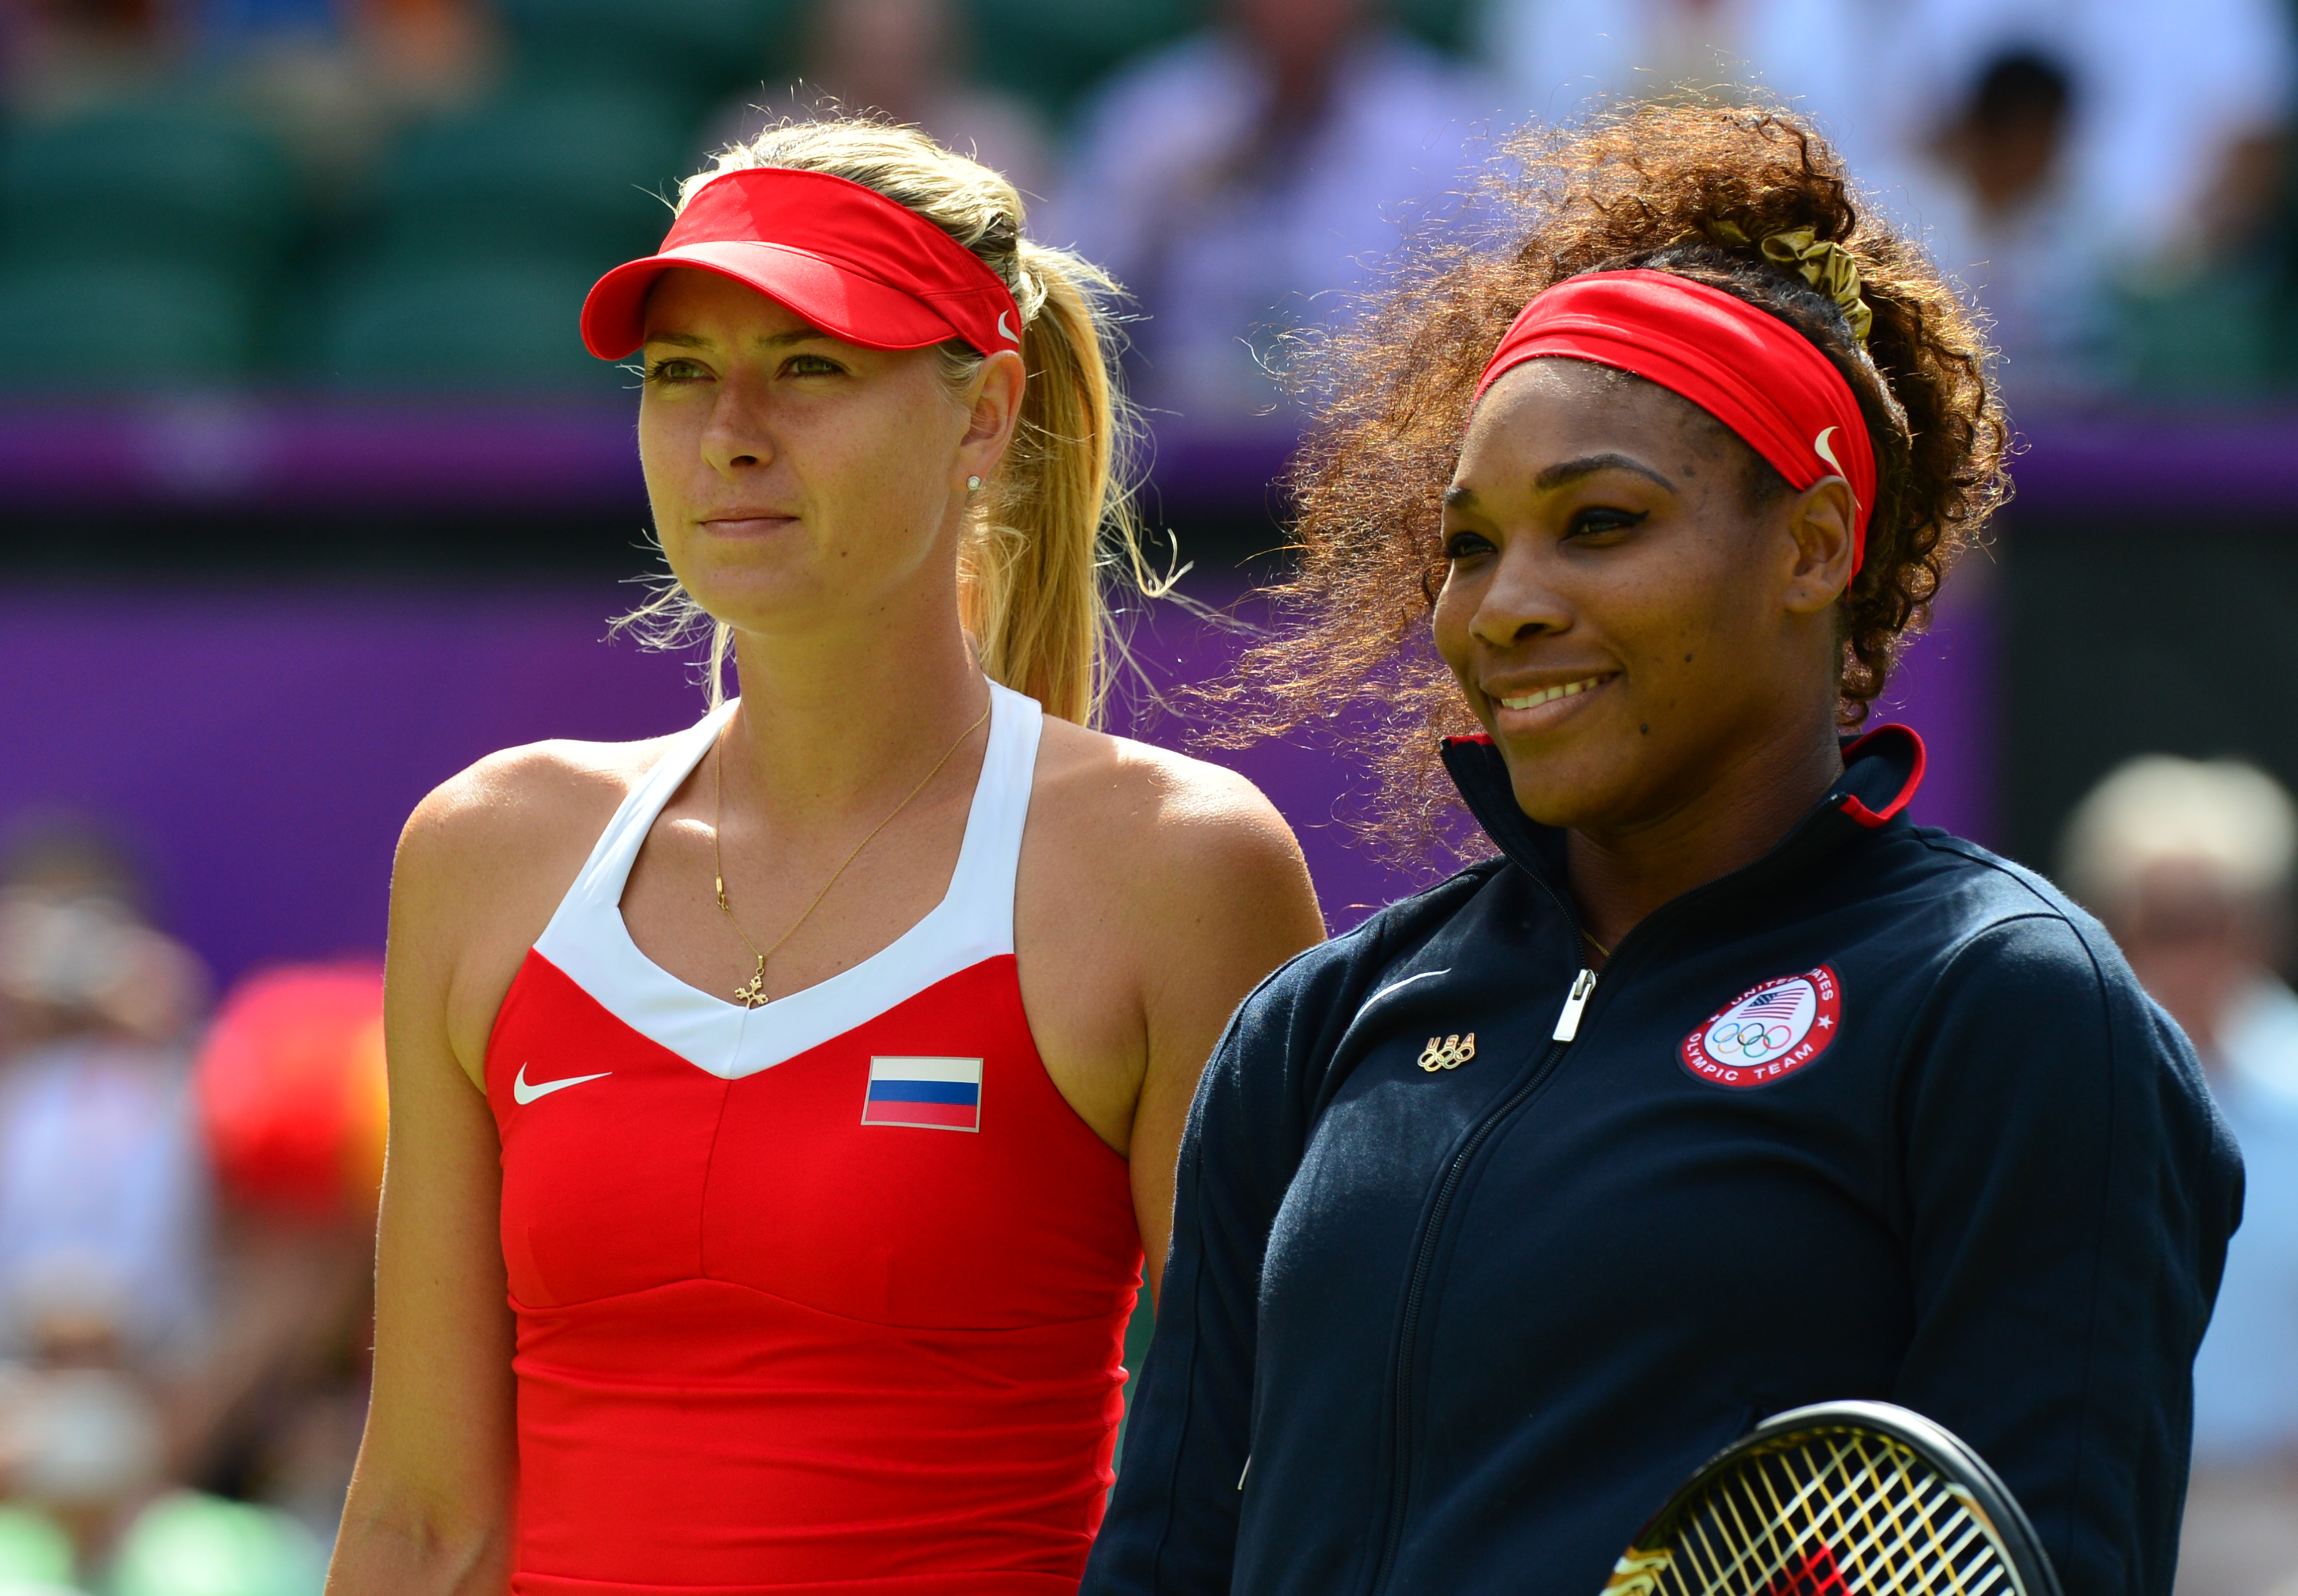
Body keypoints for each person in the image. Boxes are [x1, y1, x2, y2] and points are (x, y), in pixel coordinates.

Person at [1085, 104, 2241, 1596]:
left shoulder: (2007, 1008)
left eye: (1602, 524)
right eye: (1473, 543)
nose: (1503, 605)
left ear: (1814, 547)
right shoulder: (1312, 1031)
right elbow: (1168, 1559)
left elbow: (2043, 1557)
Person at [324, 119, 1325, 1593]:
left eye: (808, 367)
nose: (730, 428)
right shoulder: (487, 849)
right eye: (678, 374)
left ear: (984, 410)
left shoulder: (1178, 866)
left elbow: (1281, 1485)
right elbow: (423, 1520)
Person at [2059, 757, 2298, 1596]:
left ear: (2257, 922)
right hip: (2104, 1505)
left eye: (2211, 915)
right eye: (2165, 919)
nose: (2192, 945)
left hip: (2273, 1517)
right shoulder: (2068, 1081)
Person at [1047, 0, 1485, 427]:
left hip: (1374, 456)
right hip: (1178, 466)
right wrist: (1152, 217)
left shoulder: (1454, 137)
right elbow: (1063, 319)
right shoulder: (1150, 124)